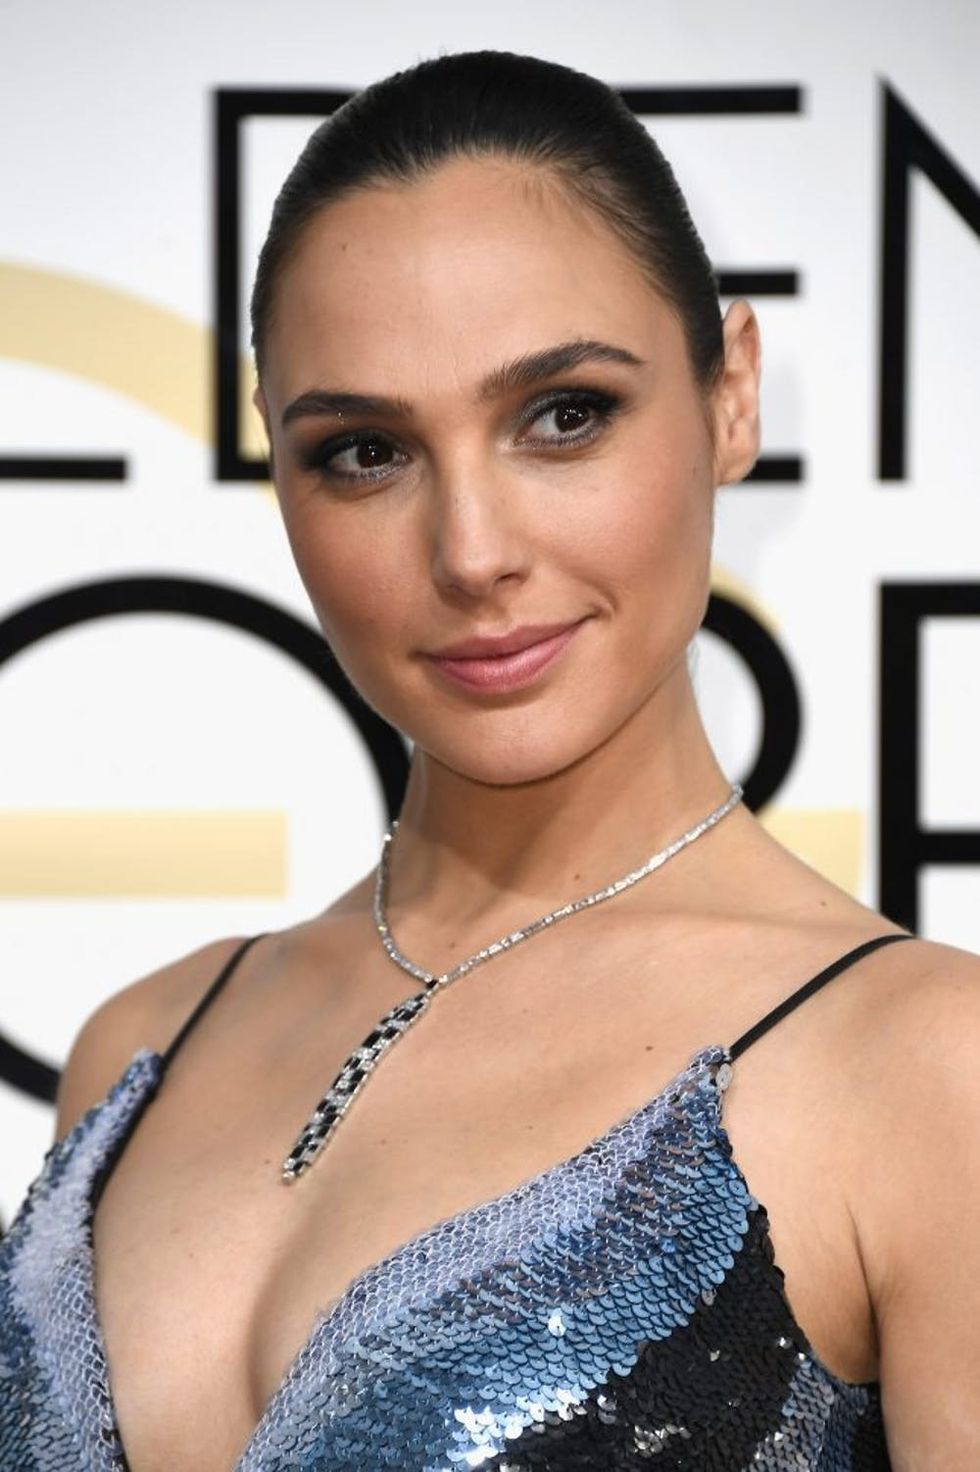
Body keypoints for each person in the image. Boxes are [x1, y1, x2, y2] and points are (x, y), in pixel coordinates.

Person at [1, 49, 977, 1472]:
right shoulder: (137, 1050)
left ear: (731, 394)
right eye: (365, 452)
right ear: (279, 469)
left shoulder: (924, 1073)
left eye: (564, 414)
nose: (471, 554)